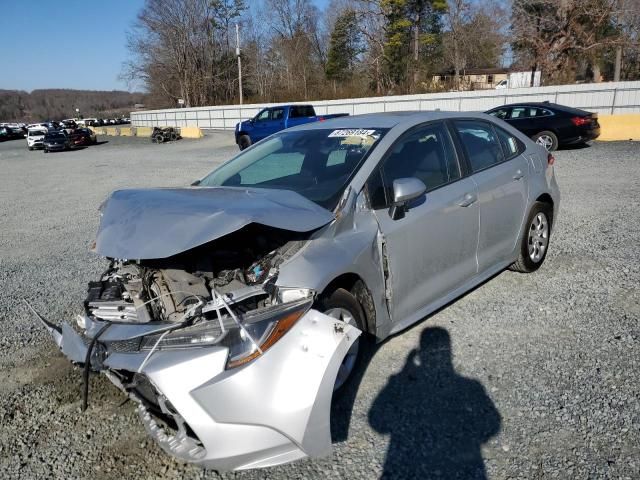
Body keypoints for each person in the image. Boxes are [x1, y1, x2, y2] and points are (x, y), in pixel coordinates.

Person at [369, 327, 501, 479]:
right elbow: (493, 424)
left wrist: (401, 376)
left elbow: (377, 423)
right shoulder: (471, 387)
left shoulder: (471, 387)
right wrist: (469, 439)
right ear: (449, 353)